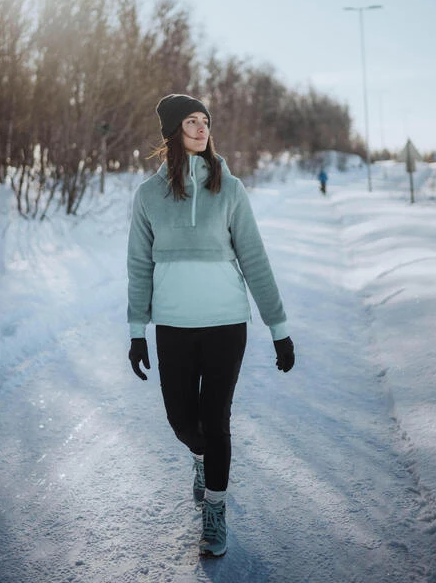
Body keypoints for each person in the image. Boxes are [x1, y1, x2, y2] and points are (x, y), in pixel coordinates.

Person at [126, 93, 295, 558]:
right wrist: (137, 331)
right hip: (174, 325)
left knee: (216, 420)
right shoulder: (148, 195)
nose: (202, 129)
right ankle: (200, 458)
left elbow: (255, 260)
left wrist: (279, 328)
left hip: (225, 322)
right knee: (183, 422)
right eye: (191, 122)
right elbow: (139, 264)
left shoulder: (231, 189)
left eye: (205, 121)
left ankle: (215, 512)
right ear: (172, 132)